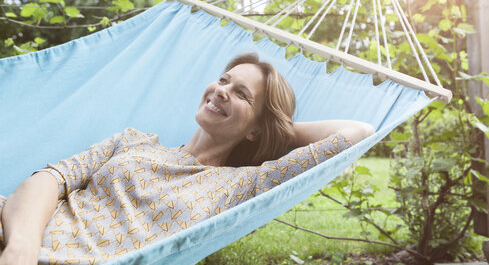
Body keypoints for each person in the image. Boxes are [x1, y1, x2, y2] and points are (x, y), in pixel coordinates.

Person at [0, 53, 374, 264]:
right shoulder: (133, 141)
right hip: (16, 237)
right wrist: (22, 247)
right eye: (223, 79)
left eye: (241, 93)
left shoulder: (242, 184)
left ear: (255, 130)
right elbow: (49, 179)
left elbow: (356, 133)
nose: (221, 90)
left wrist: (276, 128)